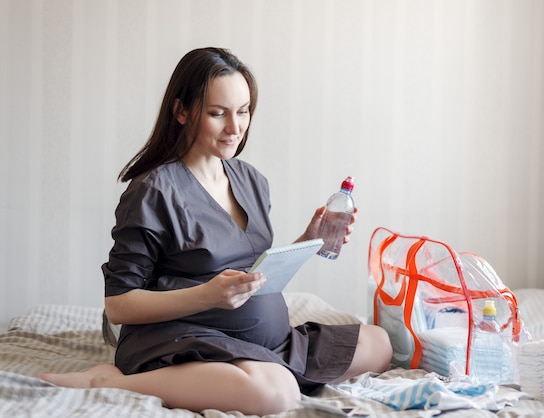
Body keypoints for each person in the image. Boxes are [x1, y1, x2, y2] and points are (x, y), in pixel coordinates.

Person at [38, 47, 392, 415]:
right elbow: (118, 306)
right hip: (181, 335)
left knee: (379, 345)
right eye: (217, 114)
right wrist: (207, 296)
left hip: (265, 339)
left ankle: (251, 370)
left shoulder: (252, 181)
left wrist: (307, 242)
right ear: (181, 111)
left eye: (243, 112)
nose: (235, 128)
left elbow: (253, 274)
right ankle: (111, 380)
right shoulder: (153, 191)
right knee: (278, 393)